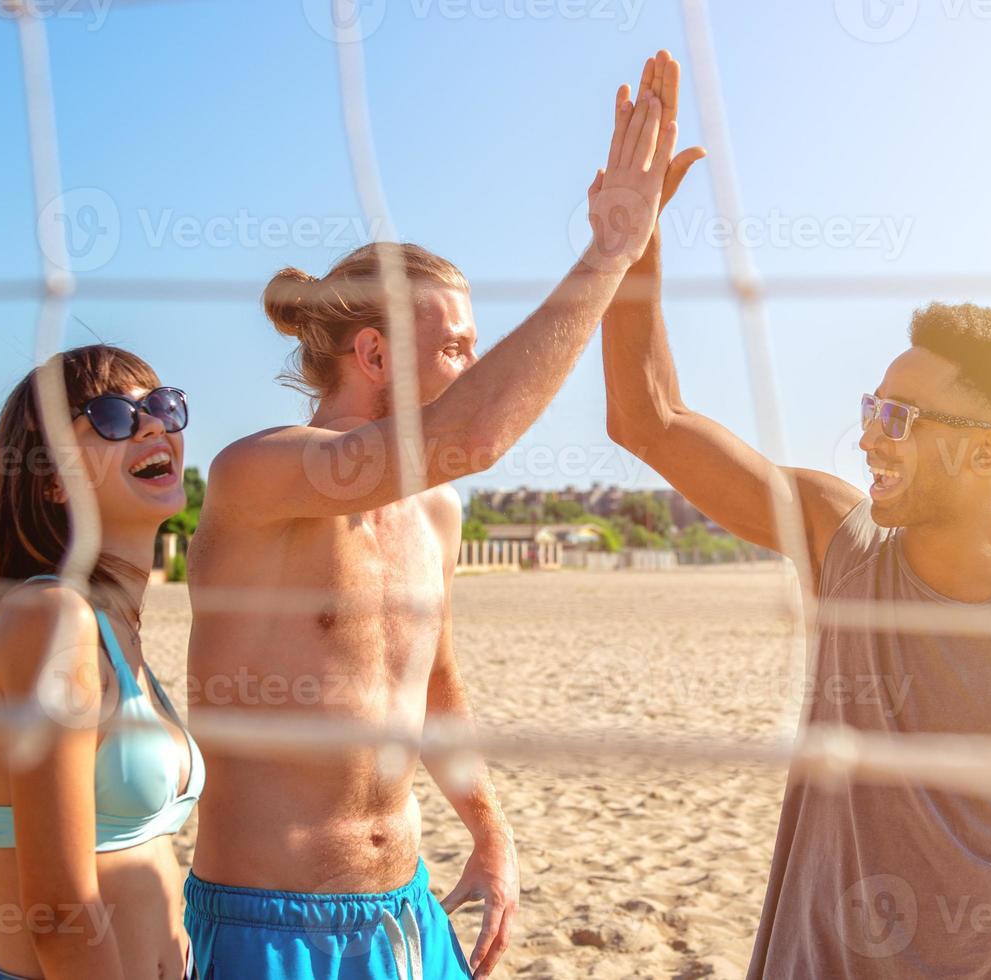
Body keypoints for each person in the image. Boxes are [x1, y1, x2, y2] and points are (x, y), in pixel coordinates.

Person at [600, 52, 991, 980]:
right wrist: (633, 245)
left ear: (985, 450)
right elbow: (647, 420)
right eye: (870, 408)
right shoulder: (835, 538)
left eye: (896, 419)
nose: (867, 438)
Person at [182, 53, 684, 980]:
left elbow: (432, 681)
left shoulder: (437, 512)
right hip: (269, 924)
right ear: (372, 352)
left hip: (403, 912)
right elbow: (475, 433)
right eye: (452, 345)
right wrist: (611, 251)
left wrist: (489, 831)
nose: (469, 364)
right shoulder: (259, 474)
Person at [0, 345, 202, 980]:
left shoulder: (111, 624)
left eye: (163, 407)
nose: (151, 425)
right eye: (113, 416)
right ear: (54, 478)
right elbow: (59, 916)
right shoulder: (51, 620)